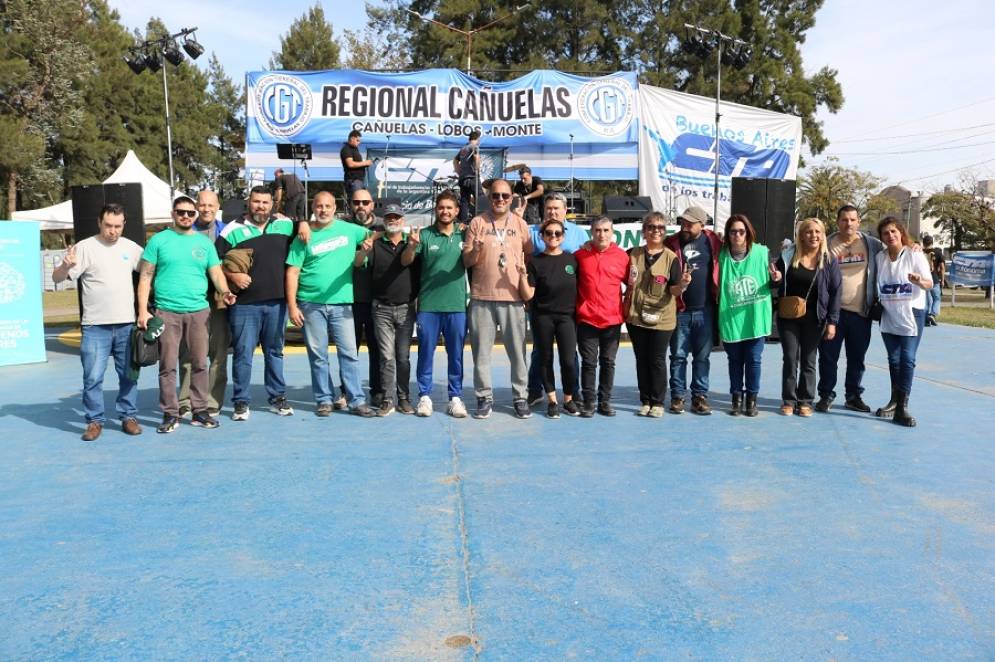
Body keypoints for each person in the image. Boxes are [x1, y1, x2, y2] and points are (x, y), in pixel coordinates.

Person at [137, 195, 236, 433]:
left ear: (195, 216)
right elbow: (145, 276)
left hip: (199, 312)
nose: (186, 216)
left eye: (190, 213)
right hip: (166, 312)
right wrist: (142, 311)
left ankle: (200, 410)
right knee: (168, 365)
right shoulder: (159, 241)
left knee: (200, 363)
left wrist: (225, 291)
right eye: (181, 212)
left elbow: (216, 273)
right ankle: (170, 413)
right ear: (173, 213)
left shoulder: (205, 244)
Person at [52, 203, 144, 441]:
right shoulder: (84, 248)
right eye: (108, 225)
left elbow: (149, 271)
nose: (112, 231)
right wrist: (65, 265)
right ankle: (94, 421)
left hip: (126, 324)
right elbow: (57, 278)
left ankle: (128, 416)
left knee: (129, 375)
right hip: (95, 326)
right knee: (92, 377)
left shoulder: (132, 248)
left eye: (117, 226)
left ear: (124, 225)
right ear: (99, 223)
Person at [285, 191, 376, 418]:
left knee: (349, 354)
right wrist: (292, 306)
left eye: (327, 206)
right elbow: (293, 272)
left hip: (342, 304)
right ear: (312, 208)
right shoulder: (302, 237)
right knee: (318, 355)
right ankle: (324, 399)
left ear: (335, 208)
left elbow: (377, 233)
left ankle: (356, 400)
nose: (323, 210)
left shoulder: (349, 230)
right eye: (319, 206)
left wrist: (368, 245)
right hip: (310, 304)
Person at [217, 186, 301, 421]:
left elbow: (304, 227)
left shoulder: (284, 225)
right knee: (243, 353)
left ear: (272, 204)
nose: (260, 207)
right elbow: (215, 263)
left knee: (275, 352)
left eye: (265, 202)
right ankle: (241, 402)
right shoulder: (232, 230)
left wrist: (302, 223)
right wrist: (232, 276)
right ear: (249, 202)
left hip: (277, 303)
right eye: (256, 202)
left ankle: (277, 398)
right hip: (245, 305)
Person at [463, 178, 533, 419]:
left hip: (513, 298)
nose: (500, 200)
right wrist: (476, 249)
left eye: (504, 196)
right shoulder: (477, 222)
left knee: (518, 352)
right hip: (482, 297)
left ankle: (520, 397)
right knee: (481, 353)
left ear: (512, 198)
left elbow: (529, 255)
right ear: (489, 198)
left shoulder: (521, 224)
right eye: (495, 196)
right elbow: (467, 262)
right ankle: (484, 397)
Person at [401, 191, 469, 418]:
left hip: (456, 306)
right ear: (436, 209)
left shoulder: (464, 235)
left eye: (450, 207)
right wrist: (411, 246)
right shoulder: (425, 235)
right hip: (429, 306)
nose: (445, 211)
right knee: (425, 353)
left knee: (456, 355)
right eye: (441, 207)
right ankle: (424, 396)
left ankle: (455, 398)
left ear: (457, 211)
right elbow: (406, 260)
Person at [816, 204, 885, 413]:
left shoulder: (872, 244)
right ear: (838, 222)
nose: (848, 223)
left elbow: (896, 247)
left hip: (860, 313)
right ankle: (826, 394)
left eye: (852, 220)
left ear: (859, 222)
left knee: (857, 358)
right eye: (844, 220)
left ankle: (853, 396)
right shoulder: (825, 244)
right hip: (831, 315)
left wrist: (915, 247)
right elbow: (799, 250)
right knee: (828, 358)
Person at [354, 204, 419, 416]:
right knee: (386, 357)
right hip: (381, 308)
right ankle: (388, 399)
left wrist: (411, 246)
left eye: (397, 217)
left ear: (403, 220)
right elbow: (357, 264)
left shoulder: (411, 243)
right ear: (384, 220)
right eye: (389, 217)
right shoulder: (374, 244)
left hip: (406, 309)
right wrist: (363, 251)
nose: (393, 220)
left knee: (402, 357)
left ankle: (404, 398)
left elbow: (407, 261)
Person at [773, 218, 841, 417]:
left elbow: (836, 292)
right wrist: (775, 278)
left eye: (818, 232)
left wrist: (832, 322)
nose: (814, 236)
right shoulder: (788, 255)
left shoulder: (829, 260)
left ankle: (805, 400)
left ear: (823, 235)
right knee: (790, 358)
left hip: (815, 318)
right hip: (788, 316)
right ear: (801, 235)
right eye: (809, 232)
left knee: (809, 360)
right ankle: (788, 400)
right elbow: (774, 280)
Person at [525, 192, 587, 405]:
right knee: (539, 352)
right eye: (549, 208)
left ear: (565, 211)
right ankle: (535, 390)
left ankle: (574, 393)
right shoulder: (532, 233)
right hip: (540, 306)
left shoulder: (579, 234)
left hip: (568, 307)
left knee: (570, 355)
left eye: (557, 208)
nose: (552, 212)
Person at [518, 218, 580, 418]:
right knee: (545, 359)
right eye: (549, 233)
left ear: (563, 237)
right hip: (543, 317)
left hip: (567, 318)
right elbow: (528, 295)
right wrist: (521, 275)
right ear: (542, 236)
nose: (553, 236)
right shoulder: (536, 262)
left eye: (557, 233)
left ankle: (568, 399)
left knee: (569, 360)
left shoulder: (572, 260)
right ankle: (552, 400)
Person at [623, 212, 683, 418]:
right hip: (636, 316)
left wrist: (682, 285)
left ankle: (657, 401)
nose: (656, 231)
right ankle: (645, 400)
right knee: (641, 359)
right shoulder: (632, 253)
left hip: (662, 319)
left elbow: (674, 291)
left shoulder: (671, 258)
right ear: (644, 231)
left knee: (657, 359)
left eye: (660, 227)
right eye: (651, 227)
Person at [874, 217, 932, 427]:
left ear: (901, 233)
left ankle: (902, 407)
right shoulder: (880, 257)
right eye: (885, 233)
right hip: (889, 313)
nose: (890, 236)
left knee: (907, 359)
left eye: (893, 231)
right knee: (894, 359)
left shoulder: (915, 254)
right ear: (881, 237)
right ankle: (894, 401)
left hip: (911, 313)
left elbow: (929, 283)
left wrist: (918, 280)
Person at [664, 205, 722, 415]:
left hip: (705, 310)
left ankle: (699, 396)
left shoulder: (713, 242)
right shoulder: (670, 242)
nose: (685, 227)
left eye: (690, 224)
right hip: (679, 309)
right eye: (683, 222)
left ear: (702, 224)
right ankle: (678, 396)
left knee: (702, 357)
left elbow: (740, 250)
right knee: (678, 356)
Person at [717, 214, 777, 417]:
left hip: (755, 317)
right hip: (732, 317)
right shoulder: (722, 255)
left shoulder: (762, 253)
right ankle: (736, 398)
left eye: (741, 231)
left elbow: (774, 279)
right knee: (734, 361)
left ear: (748, 232)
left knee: (753, 360)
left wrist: (776, 278)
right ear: (728, 234)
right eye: (733, 231)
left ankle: (752, 399)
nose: (737, 235)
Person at [178, 190, 229, 418]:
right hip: (191, 297)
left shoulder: (228, 231)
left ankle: (212, 400)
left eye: (211, 205)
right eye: (202, 204)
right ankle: (186, 399)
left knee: (218, 350)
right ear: (196, 206)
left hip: (219, 298)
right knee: (188, 350)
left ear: (218, 206)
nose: (206, 208)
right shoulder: (184, 230)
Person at [574, 216, 629, 417]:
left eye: (606, 230)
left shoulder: (622, 257)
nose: (602, 234)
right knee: (588, 363)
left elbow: (632, 285)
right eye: (598, 230)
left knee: (608, 362)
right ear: (592, 233)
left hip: (612, 320)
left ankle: (604, 401)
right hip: (587, 318)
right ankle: (588, 402)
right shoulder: (580, 255)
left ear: (612, 233)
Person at [344, 188, 384, 408]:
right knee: (349, 350)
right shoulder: (342, 228)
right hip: (348, 299)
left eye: (365, 202)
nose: (361, 206)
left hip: (377, 300)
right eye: (356, 202)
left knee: (377, 349)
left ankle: (377, 391)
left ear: (372, 205)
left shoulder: (384, 227)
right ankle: (346, 390)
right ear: (351, 204)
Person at [453, 130, 481, 223]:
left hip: (463, 178)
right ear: (477, 138)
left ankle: (463, 222)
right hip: (472, 177)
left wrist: (459, 172)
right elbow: (476, 158)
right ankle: (482, 221)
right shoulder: (475, 147)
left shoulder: (463, 149)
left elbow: (455, 160)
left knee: (464, 201)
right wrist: (477, 170)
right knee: (481, 199)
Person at [341, 129, 373, 197]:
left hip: (359, 180)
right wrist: (365, 163)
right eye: (357, 140)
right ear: (352, 138)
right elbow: (350, 164)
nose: (359, 143)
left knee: (365, 199)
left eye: (360, 141)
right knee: (357, 201)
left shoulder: (355, 149)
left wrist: (365, 164)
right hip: (353, 181)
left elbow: (356, 164)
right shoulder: (346, 149)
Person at [922, 234, 945, 326]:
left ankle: (926, 317)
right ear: (932, 242)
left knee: (926, 300)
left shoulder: (920, 252)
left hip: (924, 279)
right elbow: (942, 267)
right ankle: (932, 314)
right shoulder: (938, 252)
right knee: (936, 298)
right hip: (934, 278)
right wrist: (942, 280)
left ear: (923, 243)